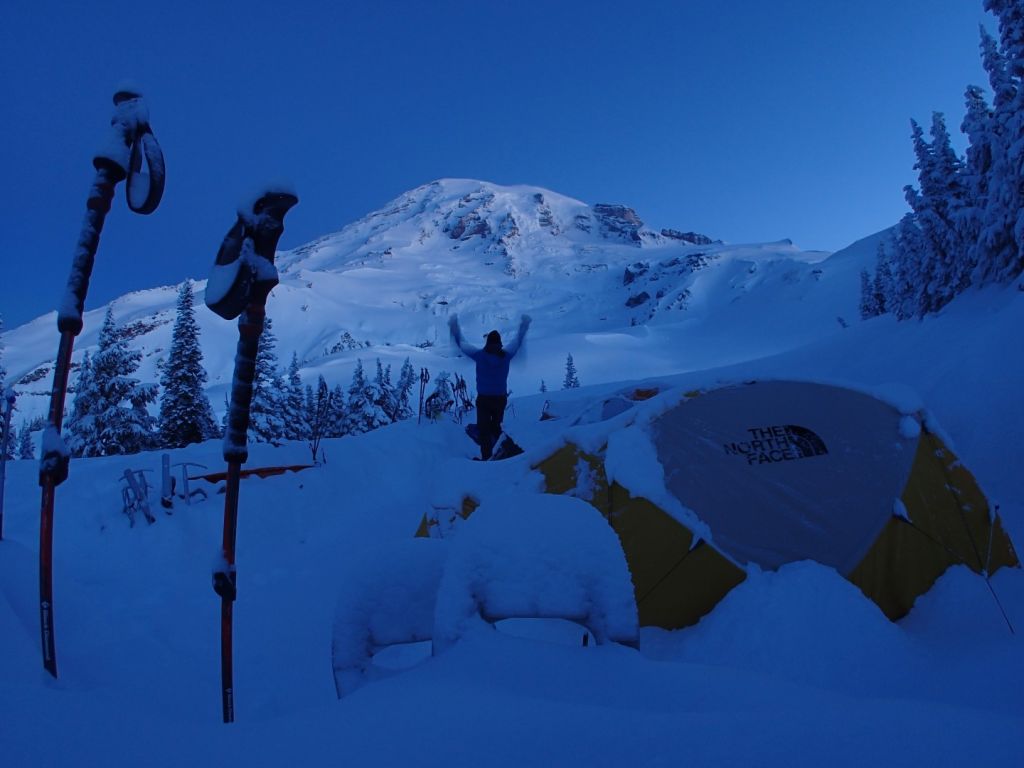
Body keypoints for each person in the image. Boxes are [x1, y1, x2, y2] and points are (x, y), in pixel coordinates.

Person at [448, 313, 531, 460]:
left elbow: (462, 345)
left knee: (484, 430)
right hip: (500, 399)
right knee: (496, 427)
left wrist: (455, 329)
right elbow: (517, 341)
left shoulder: (480, 355)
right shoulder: (506, 356)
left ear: (487, 343)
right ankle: (501, 453)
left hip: (484, 399)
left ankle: (487, 457)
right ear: (500, 343)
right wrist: (524, 325)